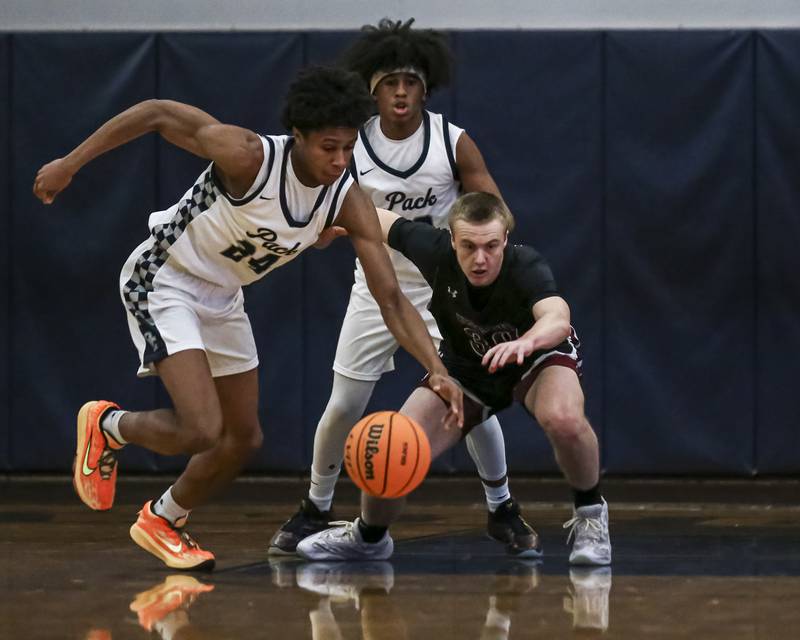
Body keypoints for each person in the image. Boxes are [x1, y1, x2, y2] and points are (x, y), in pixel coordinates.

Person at [32, 65, 463, 571]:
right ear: (298, 136)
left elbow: (390, 298)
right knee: (201, 428)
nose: (340, 160)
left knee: (243, 438)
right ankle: (108, 425)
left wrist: (436, 369)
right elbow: (156, 113)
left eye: (348, 148)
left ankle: (164, 518)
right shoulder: (248, 156)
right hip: (165, 278)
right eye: (328, 147)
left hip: (223, 294)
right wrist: (69, 163)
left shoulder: (346, 198)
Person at [270, 19, 535, 558]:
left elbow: (496, 214)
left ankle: (502, 507)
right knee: (344, 404)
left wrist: (493, 262)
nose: (398, 92)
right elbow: (322, 213)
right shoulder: (353, 144)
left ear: (425, 87)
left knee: (470, 400)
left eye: (409, 82)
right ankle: (316, 507)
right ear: (370, 87)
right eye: (388, 81)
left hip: (447, 291)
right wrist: (322, 233)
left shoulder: (450, 141)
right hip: (376, 287)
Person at [296, 192, 612, 566]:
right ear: (451, 240)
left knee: (563, 419)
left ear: (505, 241)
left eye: (491, 246)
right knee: (391, 445)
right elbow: (376, 218)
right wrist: (328, 220)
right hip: (467, 366)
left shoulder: (525, 265)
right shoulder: (433, 251)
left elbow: (557, 317)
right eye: (469, 246)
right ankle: (369, 538)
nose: (480, 259)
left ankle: (591, 516)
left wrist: (526, 343)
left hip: (534, 357)